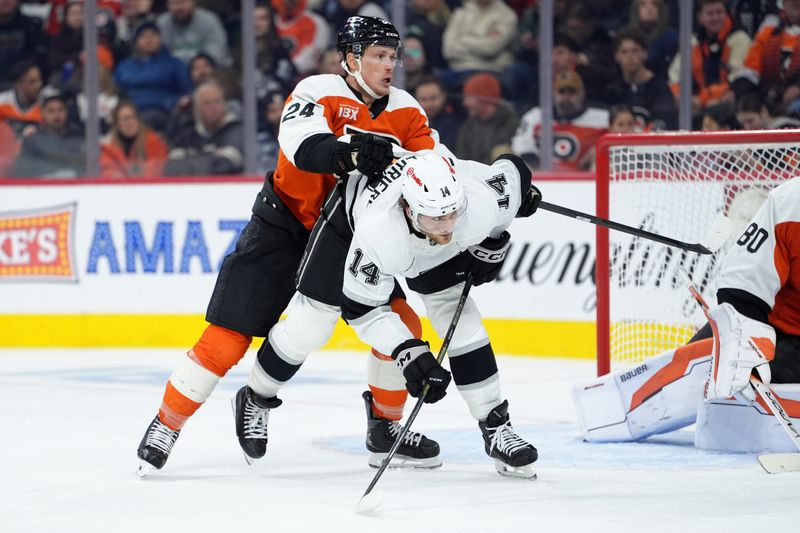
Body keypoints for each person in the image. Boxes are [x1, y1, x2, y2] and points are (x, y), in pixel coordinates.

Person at [136, 16, 447, 475]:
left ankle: (385, 429)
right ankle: (168, 423)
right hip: (285, 225)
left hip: (348, 236)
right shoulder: (316, 90)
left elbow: (436, 168)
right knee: (228, 337)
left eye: (392, 57)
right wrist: (351, 153)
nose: (389, 66)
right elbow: (302, 146)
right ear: (351, 58)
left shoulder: (406, 110)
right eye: (378, 56)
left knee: (401, 321)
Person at [234, 148, 542, 476]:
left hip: (425, 240)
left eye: (452, 213)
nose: (448, 226)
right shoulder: (379, 232)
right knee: (312, 323)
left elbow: (514, 171)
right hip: (347, 227)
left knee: (463, 321)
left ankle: (495, 426)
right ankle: (257, 395)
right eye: (437, 217)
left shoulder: (477, 202)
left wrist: (492, 243)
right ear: (408, 208)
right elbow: (362, 310)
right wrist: (409, 354)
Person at [573, 177, 800, 454]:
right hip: (776, 330)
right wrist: (745, 345)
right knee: (692, 374)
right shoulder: (790, 201)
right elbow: (743, 285)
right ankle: (603, 411)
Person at [512, 71, 608, 171]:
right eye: (562, 92)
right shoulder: (535, 117)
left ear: (582, 93)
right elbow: (522, 147)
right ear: (553, 94)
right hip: (541, 179)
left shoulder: (602, 120)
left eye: (572, 92)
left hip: (585, 181)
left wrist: (597, 150)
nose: (566, 98)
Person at [163, 80, 244, 176]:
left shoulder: (236, 130)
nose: (213, 107)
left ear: (224, 104)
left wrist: (192, 160)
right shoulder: (187, 133)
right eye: (207, 103)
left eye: (217, 101)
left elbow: (225, 165)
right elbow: (172, 167)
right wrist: (211, 158)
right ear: (196, 108)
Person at [11, 92, 85, 178]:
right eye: (51, 111)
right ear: (42, 113)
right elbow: (24, 172)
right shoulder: (31, 143)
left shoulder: (78, 139)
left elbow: (83, 169)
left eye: (61, 110)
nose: (57, 115)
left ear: (67, 112)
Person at [455, 72, 518, 164]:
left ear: (484, 98)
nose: (465, 103)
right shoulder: (468, 127)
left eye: (469, 97)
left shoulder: (510, 124)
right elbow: (461, 160)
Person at [100, 100, 169, 179]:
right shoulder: (109, 148)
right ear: (117, 124)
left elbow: (156, 171)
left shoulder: (153, 142)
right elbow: (108, 172)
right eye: (125, 119)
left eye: (133, 117)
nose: (130, 122)